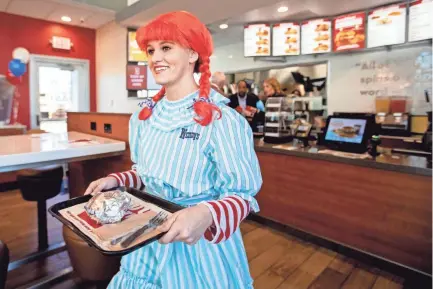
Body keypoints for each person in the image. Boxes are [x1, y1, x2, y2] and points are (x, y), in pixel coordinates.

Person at [84, 11, 262, 289]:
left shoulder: (222, 120)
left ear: (193, 54)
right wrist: (117, 180)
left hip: (198, 249)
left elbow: (242, 195)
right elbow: (143, 172)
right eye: (151, 50)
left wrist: (205, 214)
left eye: (166, 48)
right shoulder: (143, 116)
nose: (155, 58)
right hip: (146, 236)